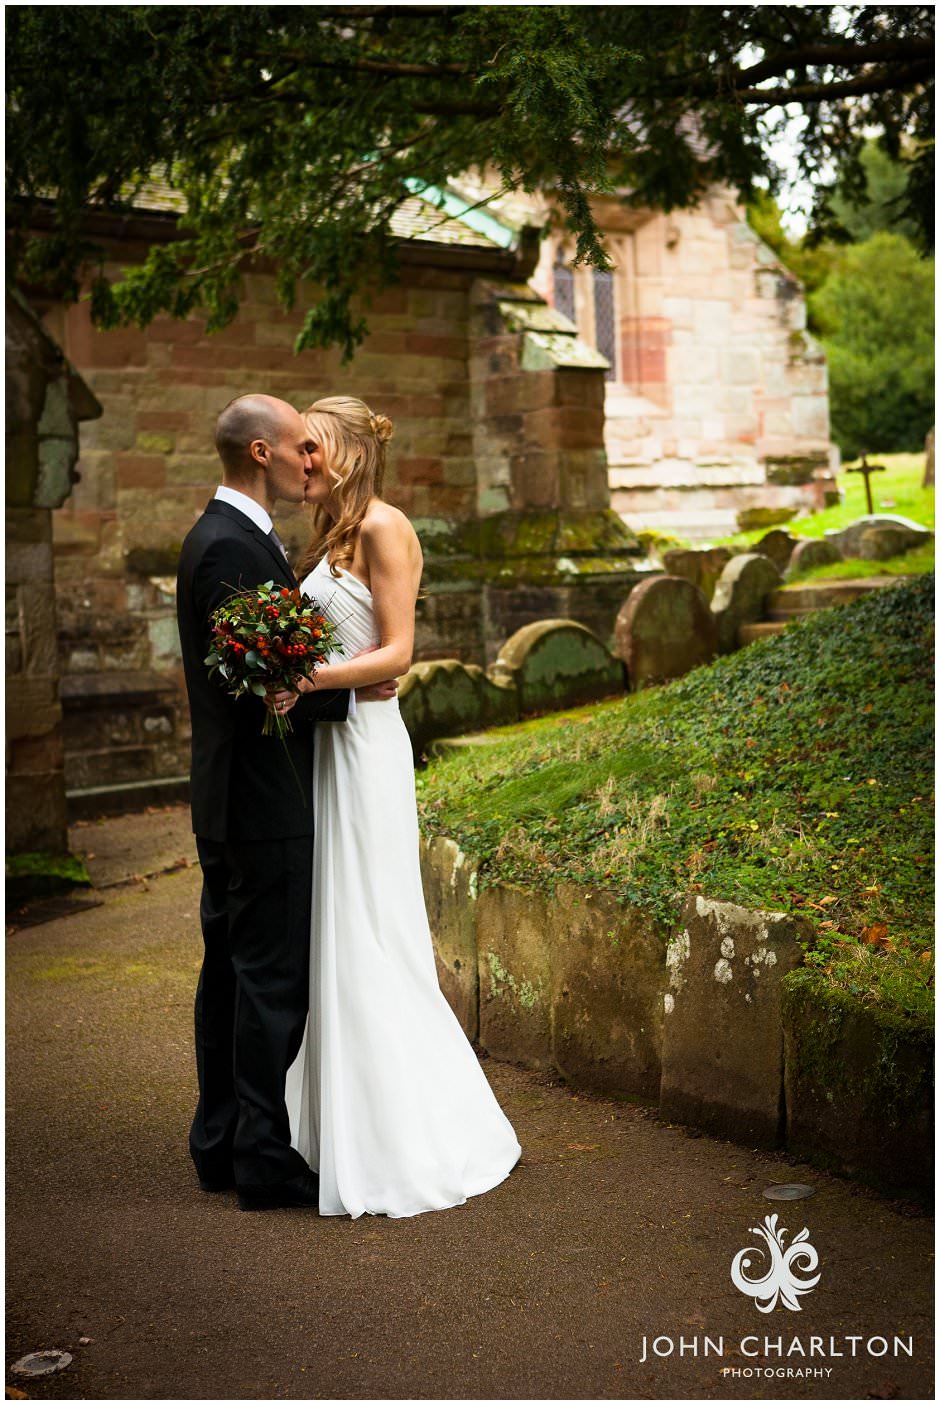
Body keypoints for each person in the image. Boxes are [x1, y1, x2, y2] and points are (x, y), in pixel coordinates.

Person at [283, 396, 521, 1218]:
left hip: (368, 746)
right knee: (335, 926)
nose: (299, 461)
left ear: (347, 450)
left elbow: (398, 651)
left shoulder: (386, 527)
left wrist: (308, 679)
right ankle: (334, 1124)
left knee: (374, 926)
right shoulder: (326, 538)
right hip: (327, 745)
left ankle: (409, 1132)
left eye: (311, 449)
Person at [176, 393, 396, 1211]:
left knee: (232, 973)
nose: (314, 459)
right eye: (302, 446)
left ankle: (220, 1140)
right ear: (262, 453)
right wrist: (356, 691)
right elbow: (255, 683)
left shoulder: (232, 536)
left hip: (231, 795)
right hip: (259, 799)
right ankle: (263, 1158)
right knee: (268, 981)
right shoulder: (231, 548)